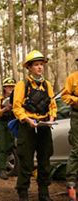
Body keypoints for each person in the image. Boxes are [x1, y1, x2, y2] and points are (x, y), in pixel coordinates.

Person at [13, 50, 57, 201]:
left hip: (44, 125)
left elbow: (52, 104)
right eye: (36, 65)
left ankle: (43, 193)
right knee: (26, 161)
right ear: (29, 68)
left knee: (45, 160)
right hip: (28, 126)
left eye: (41, 64)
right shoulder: (22, 85)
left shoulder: (47, 85)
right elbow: (17, 107)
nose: (40, 67)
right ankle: (23, 193)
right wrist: (27, 120)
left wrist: (51, 117)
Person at [0, 77, 16, 180]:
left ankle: (4, 167)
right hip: (2, 122)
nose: (10, 89)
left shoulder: (17, 98)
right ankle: (0, 170)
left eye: (12, 87)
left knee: (10, 145)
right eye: (8, 87)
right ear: (4, 88)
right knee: (1, 145)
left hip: (12, 121)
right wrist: (5, 109)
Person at [61, 58, 78, 201]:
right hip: (77, 116)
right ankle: (71, 184)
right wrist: (76, 100)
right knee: (77, 149)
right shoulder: (72, 78)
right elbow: (64, 96)